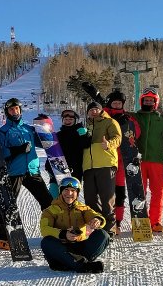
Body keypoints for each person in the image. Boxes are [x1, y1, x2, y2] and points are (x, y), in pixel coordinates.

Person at [0, 99, 53, 248]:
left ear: (20, 110)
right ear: (7, 112)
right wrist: (18, 149)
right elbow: (1, 152)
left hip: (32, 171)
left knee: (48, 202)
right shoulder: (3, 131)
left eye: (17, 109)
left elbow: (47, 144)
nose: (14, 112)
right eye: (11, 110)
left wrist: (45, 131)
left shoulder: (29, 129)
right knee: (9, 204)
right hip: (14, 172)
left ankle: (53, 231)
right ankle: (3, 236)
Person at [40, 176, 109, 273]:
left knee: (103, 235)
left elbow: (93, 215)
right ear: (61, 191)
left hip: (80, 247)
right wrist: (64, 234)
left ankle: (69, 263)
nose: (69, 193)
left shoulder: (82, 208)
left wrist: (97, 220)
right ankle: (82, 265)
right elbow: (44, 229)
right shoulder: (49, 211)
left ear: (77, 193)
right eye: (66, 190)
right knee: (46, 242)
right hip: (62, 248)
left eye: (73, 190)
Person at [133, 90, 163, 232]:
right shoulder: (134, 118)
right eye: (146, 100)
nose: (148, 102)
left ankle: (155, 221)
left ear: (155, 102)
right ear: (141, 102)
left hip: (156, 161)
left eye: (151, 100)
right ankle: (140, 221)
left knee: (158, 191)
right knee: (139, 193)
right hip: (138, 161)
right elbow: (116, 112)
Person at [81, 101, 122, 237]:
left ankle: (110, 229)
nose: (93, 112)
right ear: (87, 112)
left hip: (105, 163)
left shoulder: (110, 122)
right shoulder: (86, 125)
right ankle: (96, 227)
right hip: (88, 166)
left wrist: (109, 144)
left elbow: (118, 137)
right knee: (90, 199)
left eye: (96, 109)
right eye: (90, 110)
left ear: (101, 110)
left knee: (107, 198)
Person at [103, 90, 140, 234]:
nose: (117, 105)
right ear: (110, 103)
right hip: (106, 160)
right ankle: (105, 220)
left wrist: (127, 126)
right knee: (106, 193)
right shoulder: (103, 116)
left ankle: (117, 222)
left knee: (120, 192)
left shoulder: (128, 118)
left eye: (119, 103)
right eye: (114, 102)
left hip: (123, 159)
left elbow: (136, 133)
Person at [56, 109, 89, 182]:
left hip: (76, 168)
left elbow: (86, 145)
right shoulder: (58, 135)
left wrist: (84, 136)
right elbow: (52, 151)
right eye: (66, 119)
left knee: (73, 188)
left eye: (70, 119)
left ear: (75, 121)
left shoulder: (80, 132)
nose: (68, 121)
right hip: (60, 167)